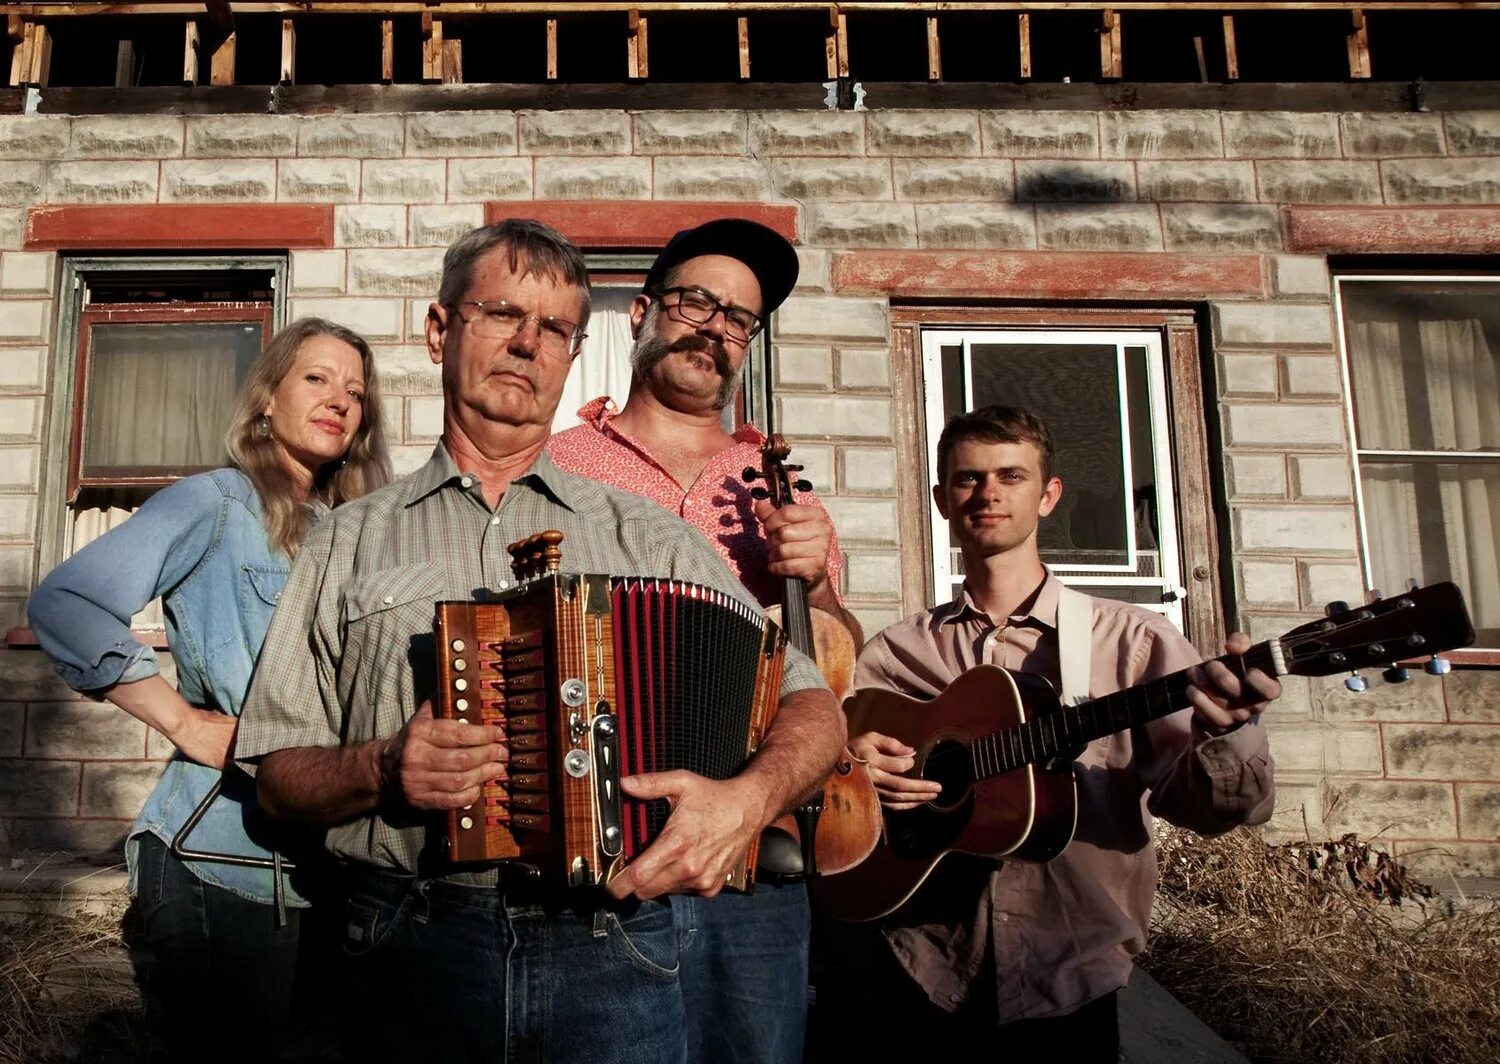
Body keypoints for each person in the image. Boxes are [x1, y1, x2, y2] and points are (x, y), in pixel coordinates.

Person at [232, 219, 845, 1064]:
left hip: (617, 944)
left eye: (555, 329)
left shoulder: (650, 538)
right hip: (408, 939)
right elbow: (275, 775)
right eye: (502, 315)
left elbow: (811, 702)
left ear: (573, 353)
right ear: (441, 330)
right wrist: (379, 768)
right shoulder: (346, 539)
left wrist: (746, 805)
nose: (528, 345)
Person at [825, 404, 1278, 1061]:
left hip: (1068, 975)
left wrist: (1228, 733)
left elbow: (1220, 811)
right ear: (942, 500)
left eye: (1011, 476)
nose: (988, 494)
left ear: (1048, 495)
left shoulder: (1133, 643)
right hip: (914, 963)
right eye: (967, 479)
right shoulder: (898, 653)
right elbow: (836, 779)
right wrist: (856, 768)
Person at [27, 317, 391, 1062]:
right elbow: (66, 602)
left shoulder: (356, 535)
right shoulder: (217, 503)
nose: (339, 400)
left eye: (355, 391)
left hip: (335, 872)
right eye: (316, 379)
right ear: (266, 401)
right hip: (221, 864)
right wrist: (185, 723)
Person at [546, 218, 859, 1061]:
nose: (715, 328)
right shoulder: (559, 462)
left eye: (739, 320)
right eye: (696, 302)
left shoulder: (781, 484)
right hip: (599, 838)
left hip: (756, 854)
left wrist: (818, 582)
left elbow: (834, 661)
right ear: (644, 311)